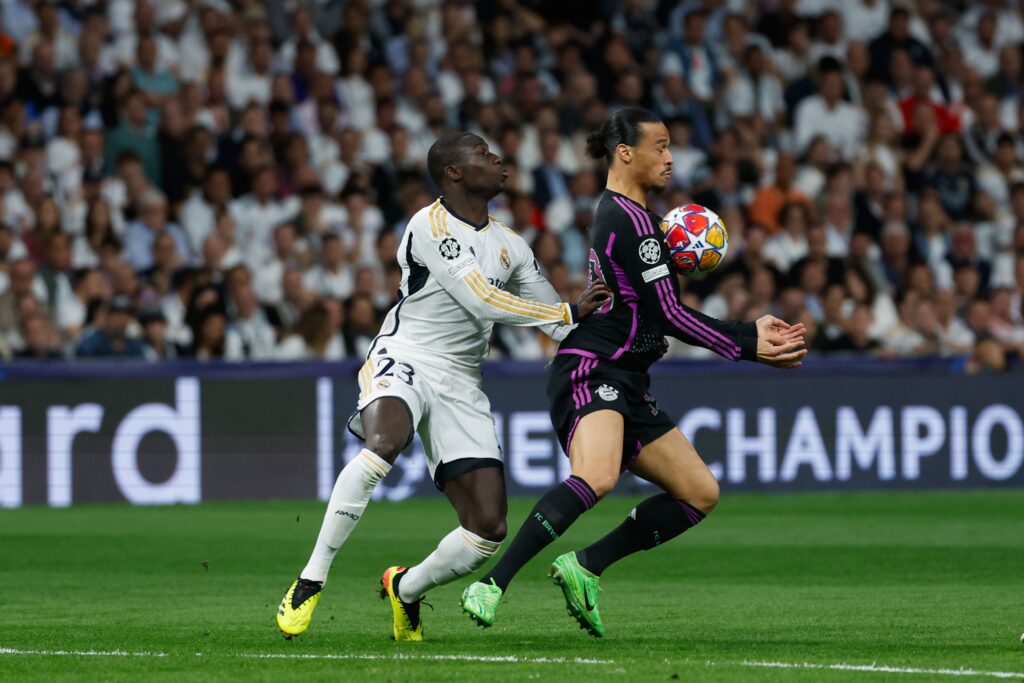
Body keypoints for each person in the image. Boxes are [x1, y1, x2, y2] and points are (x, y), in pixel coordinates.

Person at [460, 107, 806, 636]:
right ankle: (493, 583)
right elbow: (670, 315)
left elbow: (655, 312)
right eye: (660, 146)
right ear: (626, 153)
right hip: (592, 365)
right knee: (597, 476)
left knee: (699, 492)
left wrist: (746, 334)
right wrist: (746, 343)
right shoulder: (633, 222)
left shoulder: (635, 218)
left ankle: (586, 566)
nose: (670, 158)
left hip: (628, 377)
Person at [275, 132, 611, 641]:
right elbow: (480, 300)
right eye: (482, 153)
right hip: (406, 353)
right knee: (385, 443)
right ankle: (311, 578)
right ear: (453, 172)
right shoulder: (429, 224)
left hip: (462, 378)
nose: (497, 158)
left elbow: (560, 326)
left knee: (487, 530)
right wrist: (566, 309)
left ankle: (405, 589)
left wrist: (620, 315)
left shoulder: (511, 245)